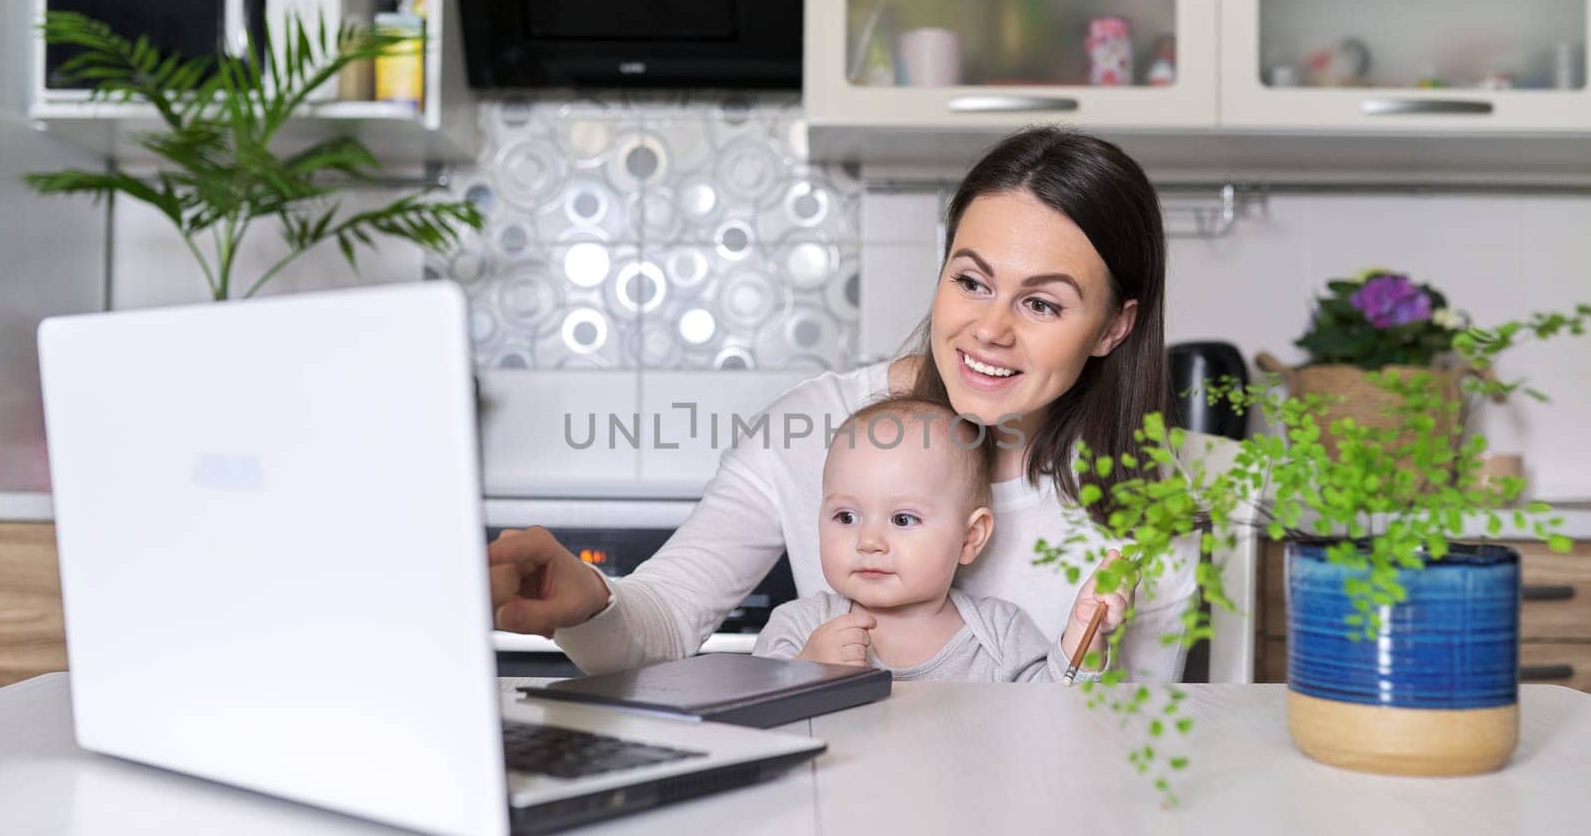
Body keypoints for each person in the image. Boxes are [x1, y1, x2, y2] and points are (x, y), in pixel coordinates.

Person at [489, 126, 1200, 681]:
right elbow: (666, 621)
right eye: (972, 282)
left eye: (1041, 303)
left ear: (1113, 326)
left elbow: (1121, 743)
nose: (990, 328)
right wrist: (585, 600)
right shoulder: (817, 426)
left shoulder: (1150, 500)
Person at [751, 396, 1124, 681]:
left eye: (902, 519)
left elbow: (1056, 710)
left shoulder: (998, 635)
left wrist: (1085, 632)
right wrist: (807, 670)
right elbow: (753, 718)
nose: (868, 541)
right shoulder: (799, 627)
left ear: (970, 538)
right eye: (846, 516)